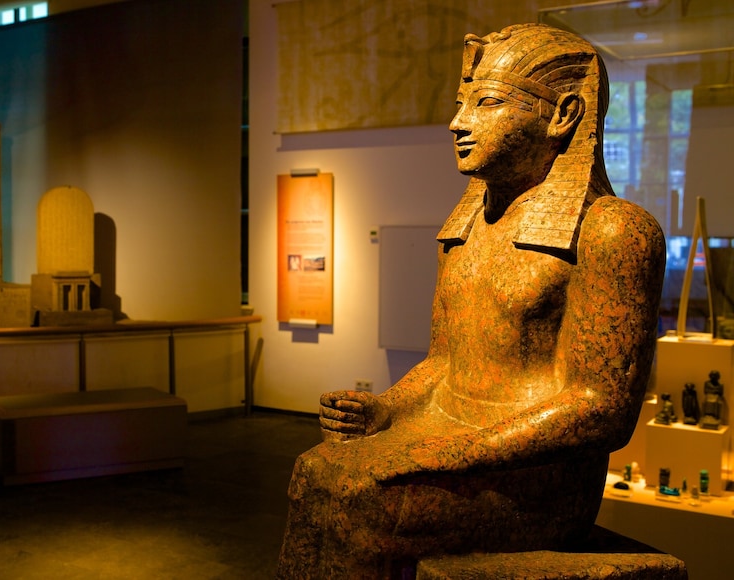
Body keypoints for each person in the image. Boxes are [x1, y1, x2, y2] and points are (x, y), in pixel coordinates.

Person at [277, 23, 666, 579]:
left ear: (564, 115)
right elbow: (444, 363)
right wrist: (386, 409)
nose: (458, 123)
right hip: (454, 439)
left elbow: (601, 409)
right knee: (314, 470)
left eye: (486, 104)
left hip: (541, 479)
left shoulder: (613, 230)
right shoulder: (469, 229)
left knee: (354, 497)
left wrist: (458, 451)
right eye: (462, 105)